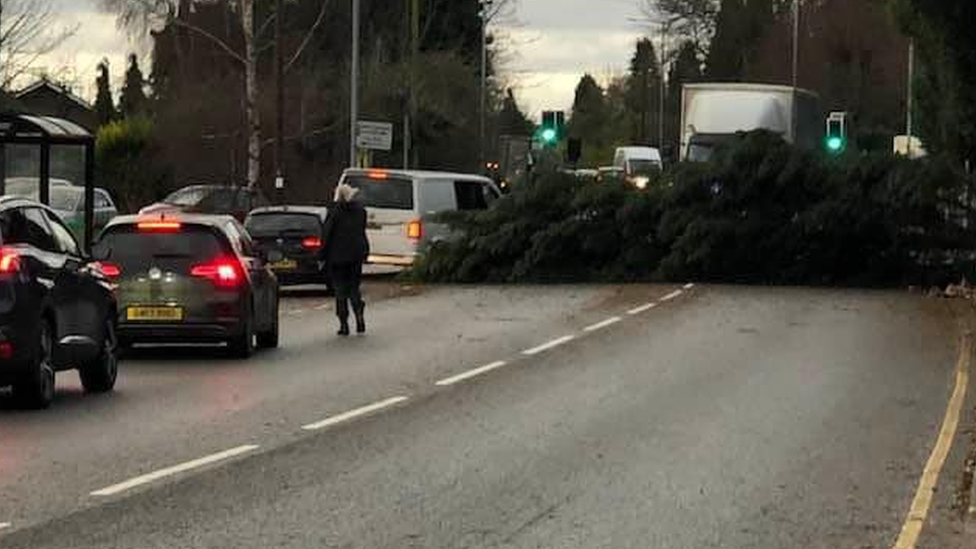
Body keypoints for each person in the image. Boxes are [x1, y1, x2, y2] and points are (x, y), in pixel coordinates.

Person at [323, 183, 370, 336]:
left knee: (340, 291)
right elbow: (362, 233)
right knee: (354, 289)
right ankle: (359, 315)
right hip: (355, 256)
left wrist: (321, 255)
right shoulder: (361, 212)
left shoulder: (334, 212)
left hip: (337, 258)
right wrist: (365, 252)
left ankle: (344, 324)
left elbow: (327, 235)